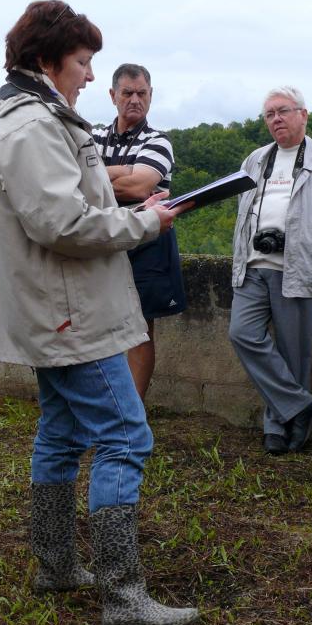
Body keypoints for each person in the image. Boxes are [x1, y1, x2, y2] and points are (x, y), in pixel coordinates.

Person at [0, 0, 198, 625]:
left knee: (63, 432)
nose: (92, 76)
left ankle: (59, 565)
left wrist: (132, 212)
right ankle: (124, 597)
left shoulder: (30, 118)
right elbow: (61, 224)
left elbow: (65, 211)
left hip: (58, 306)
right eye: (82, 62)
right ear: (47, 60)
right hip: (69, 312)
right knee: (126, 436)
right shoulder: (30, 127)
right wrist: (145, 223)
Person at [229, 87, 312, 455]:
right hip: (252, 264)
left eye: (283, 111)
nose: (276, 119)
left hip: (300, 266)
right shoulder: (256, 160)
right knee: (242, 334)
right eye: (269, 114)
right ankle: (300, 404)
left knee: (295, 354)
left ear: (303, 115)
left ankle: (279, 427)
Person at [92, 64, 186, 399]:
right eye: (127, 93)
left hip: (147, 242)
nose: (135, 100)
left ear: (151, 95)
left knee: (140, 328)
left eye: (142, 93)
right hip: (102, 237)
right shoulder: (93, 136)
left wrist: (98, 177)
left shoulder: (158, 141)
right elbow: (74, 180)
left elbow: (139, 187)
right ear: (112, 95)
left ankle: (132, 412)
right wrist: (126, 170)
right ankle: (106, 405)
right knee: (97, 325)